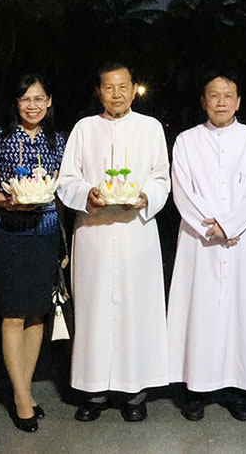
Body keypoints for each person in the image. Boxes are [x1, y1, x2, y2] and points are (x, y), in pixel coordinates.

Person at [57, 63, 170, 422]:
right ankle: (94, 390)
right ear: (99, 92)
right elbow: (67, 178)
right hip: (95, 232)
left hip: (137, 231)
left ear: (134, 88)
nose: (117, 94)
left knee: (138, 309)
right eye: (109, 87)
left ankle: (135, 390)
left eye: (123, 87)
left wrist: (145, 197)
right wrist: (86, 195)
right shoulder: (84, 128)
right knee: (94, 310)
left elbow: (162, 178)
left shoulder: (150, 128)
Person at [166, 74, 246, 422]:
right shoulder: (187, 141)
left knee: (242, 313)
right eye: (214, 96)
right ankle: (196, 389)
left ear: (238, 102)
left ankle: (239, 390)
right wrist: (213, 227)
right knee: (200, 311)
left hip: (243, 240)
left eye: (228, 96)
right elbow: (182, 189)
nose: (221, 102)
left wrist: (231, 224)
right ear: (204, 102)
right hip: (200, 241)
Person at [0, 74, 67, 433]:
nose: (32, 105)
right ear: (16, 103)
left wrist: (63, 245)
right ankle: (19, 396)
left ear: (49, 102)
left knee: (37, 315)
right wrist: (8, 202)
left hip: (44, 233)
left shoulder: (58, 140)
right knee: (13, 315)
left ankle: (25, 389)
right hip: (8, 233)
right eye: (25, 99)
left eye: (39, 98)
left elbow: (61, 190)